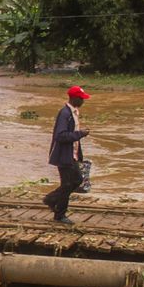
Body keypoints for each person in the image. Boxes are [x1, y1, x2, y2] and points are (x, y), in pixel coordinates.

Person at [42, 85, 91, 225]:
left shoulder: (73, 113)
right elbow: (60, 136)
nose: (83, 101)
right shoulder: (65, 114)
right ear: (74, 98)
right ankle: (59, 214)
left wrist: (79, 152)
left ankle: (52, 199)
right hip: (63, 155)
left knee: (76, 181)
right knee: (69, 183)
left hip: (71, 155)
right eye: (81, 99)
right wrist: (80, 134)